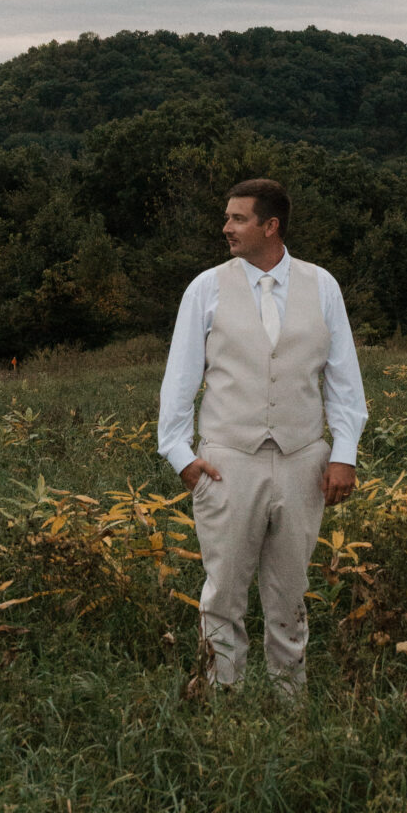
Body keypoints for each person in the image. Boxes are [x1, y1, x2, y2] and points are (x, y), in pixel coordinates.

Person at [159, 178, 366, 693]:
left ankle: (288, 703)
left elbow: (344, 380)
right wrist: (181, 456)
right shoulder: (206, 287)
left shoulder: (322, 286)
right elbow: (179, 380)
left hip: (302, 460)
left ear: (270, 226)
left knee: (289, 594)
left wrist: (344, 454)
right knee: (223, 593)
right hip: (228, 461)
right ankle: (223, 699)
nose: (226, 227)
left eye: (237, 218)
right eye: (227, 217)